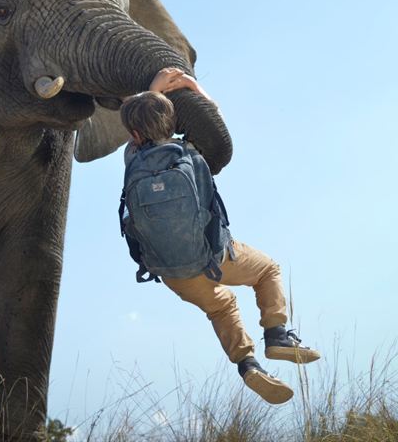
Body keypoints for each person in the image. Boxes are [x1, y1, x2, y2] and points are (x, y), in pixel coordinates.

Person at [119, 68, 321, 404]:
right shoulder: (192, 153)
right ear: (173, 122)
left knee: (222, 306)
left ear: (135, 134)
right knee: (267, 269)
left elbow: (138, 123)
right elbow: (216, 124)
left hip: (170, 270)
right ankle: (276, 334)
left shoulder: (132, 159)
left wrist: (151, 90)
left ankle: (248, 365)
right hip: (214, 256)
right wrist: (194, 87)